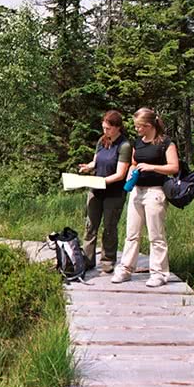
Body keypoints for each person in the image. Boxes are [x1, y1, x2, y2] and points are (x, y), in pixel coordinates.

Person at [111, 107, 179, 287]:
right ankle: (125, 269)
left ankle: (159, 273)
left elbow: (173, 167)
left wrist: (152, 167)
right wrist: (132, 170)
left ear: (149, 125)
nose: (137, 129)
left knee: (156, 235)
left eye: (139, 126)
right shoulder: (138, 143)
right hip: (137, 191)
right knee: (131, 234)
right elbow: (134, 161)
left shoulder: (166, 143)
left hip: (155, 192)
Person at [78, 110, 131, 274]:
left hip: (113, 193)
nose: (105, 131)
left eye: (108, 128)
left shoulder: (124, 146)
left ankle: (108, 261)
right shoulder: (102, 141)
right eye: (103, 128)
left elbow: (120, 174)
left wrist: (102, 181)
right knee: (90, 225)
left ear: (117, 128)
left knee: (109, 227)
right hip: (96, 190)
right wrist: (88, 167)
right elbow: (96, 161)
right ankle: (87, 260)